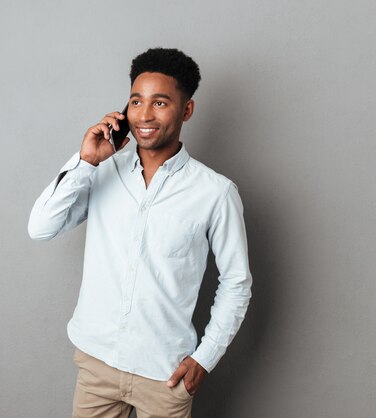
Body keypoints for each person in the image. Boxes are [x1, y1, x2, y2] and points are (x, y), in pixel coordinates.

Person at [28, 47, 252, 418]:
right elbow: (41, 227)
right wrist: (84, 161)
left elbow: (236, 283)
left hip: (164, 373)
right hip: (97, 363)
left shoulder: (215, 192)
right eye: (136, 101)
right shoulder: (101, 170)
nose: (144, 115)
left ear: (187, 110)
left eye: (160, 102)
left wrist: (204, 358)